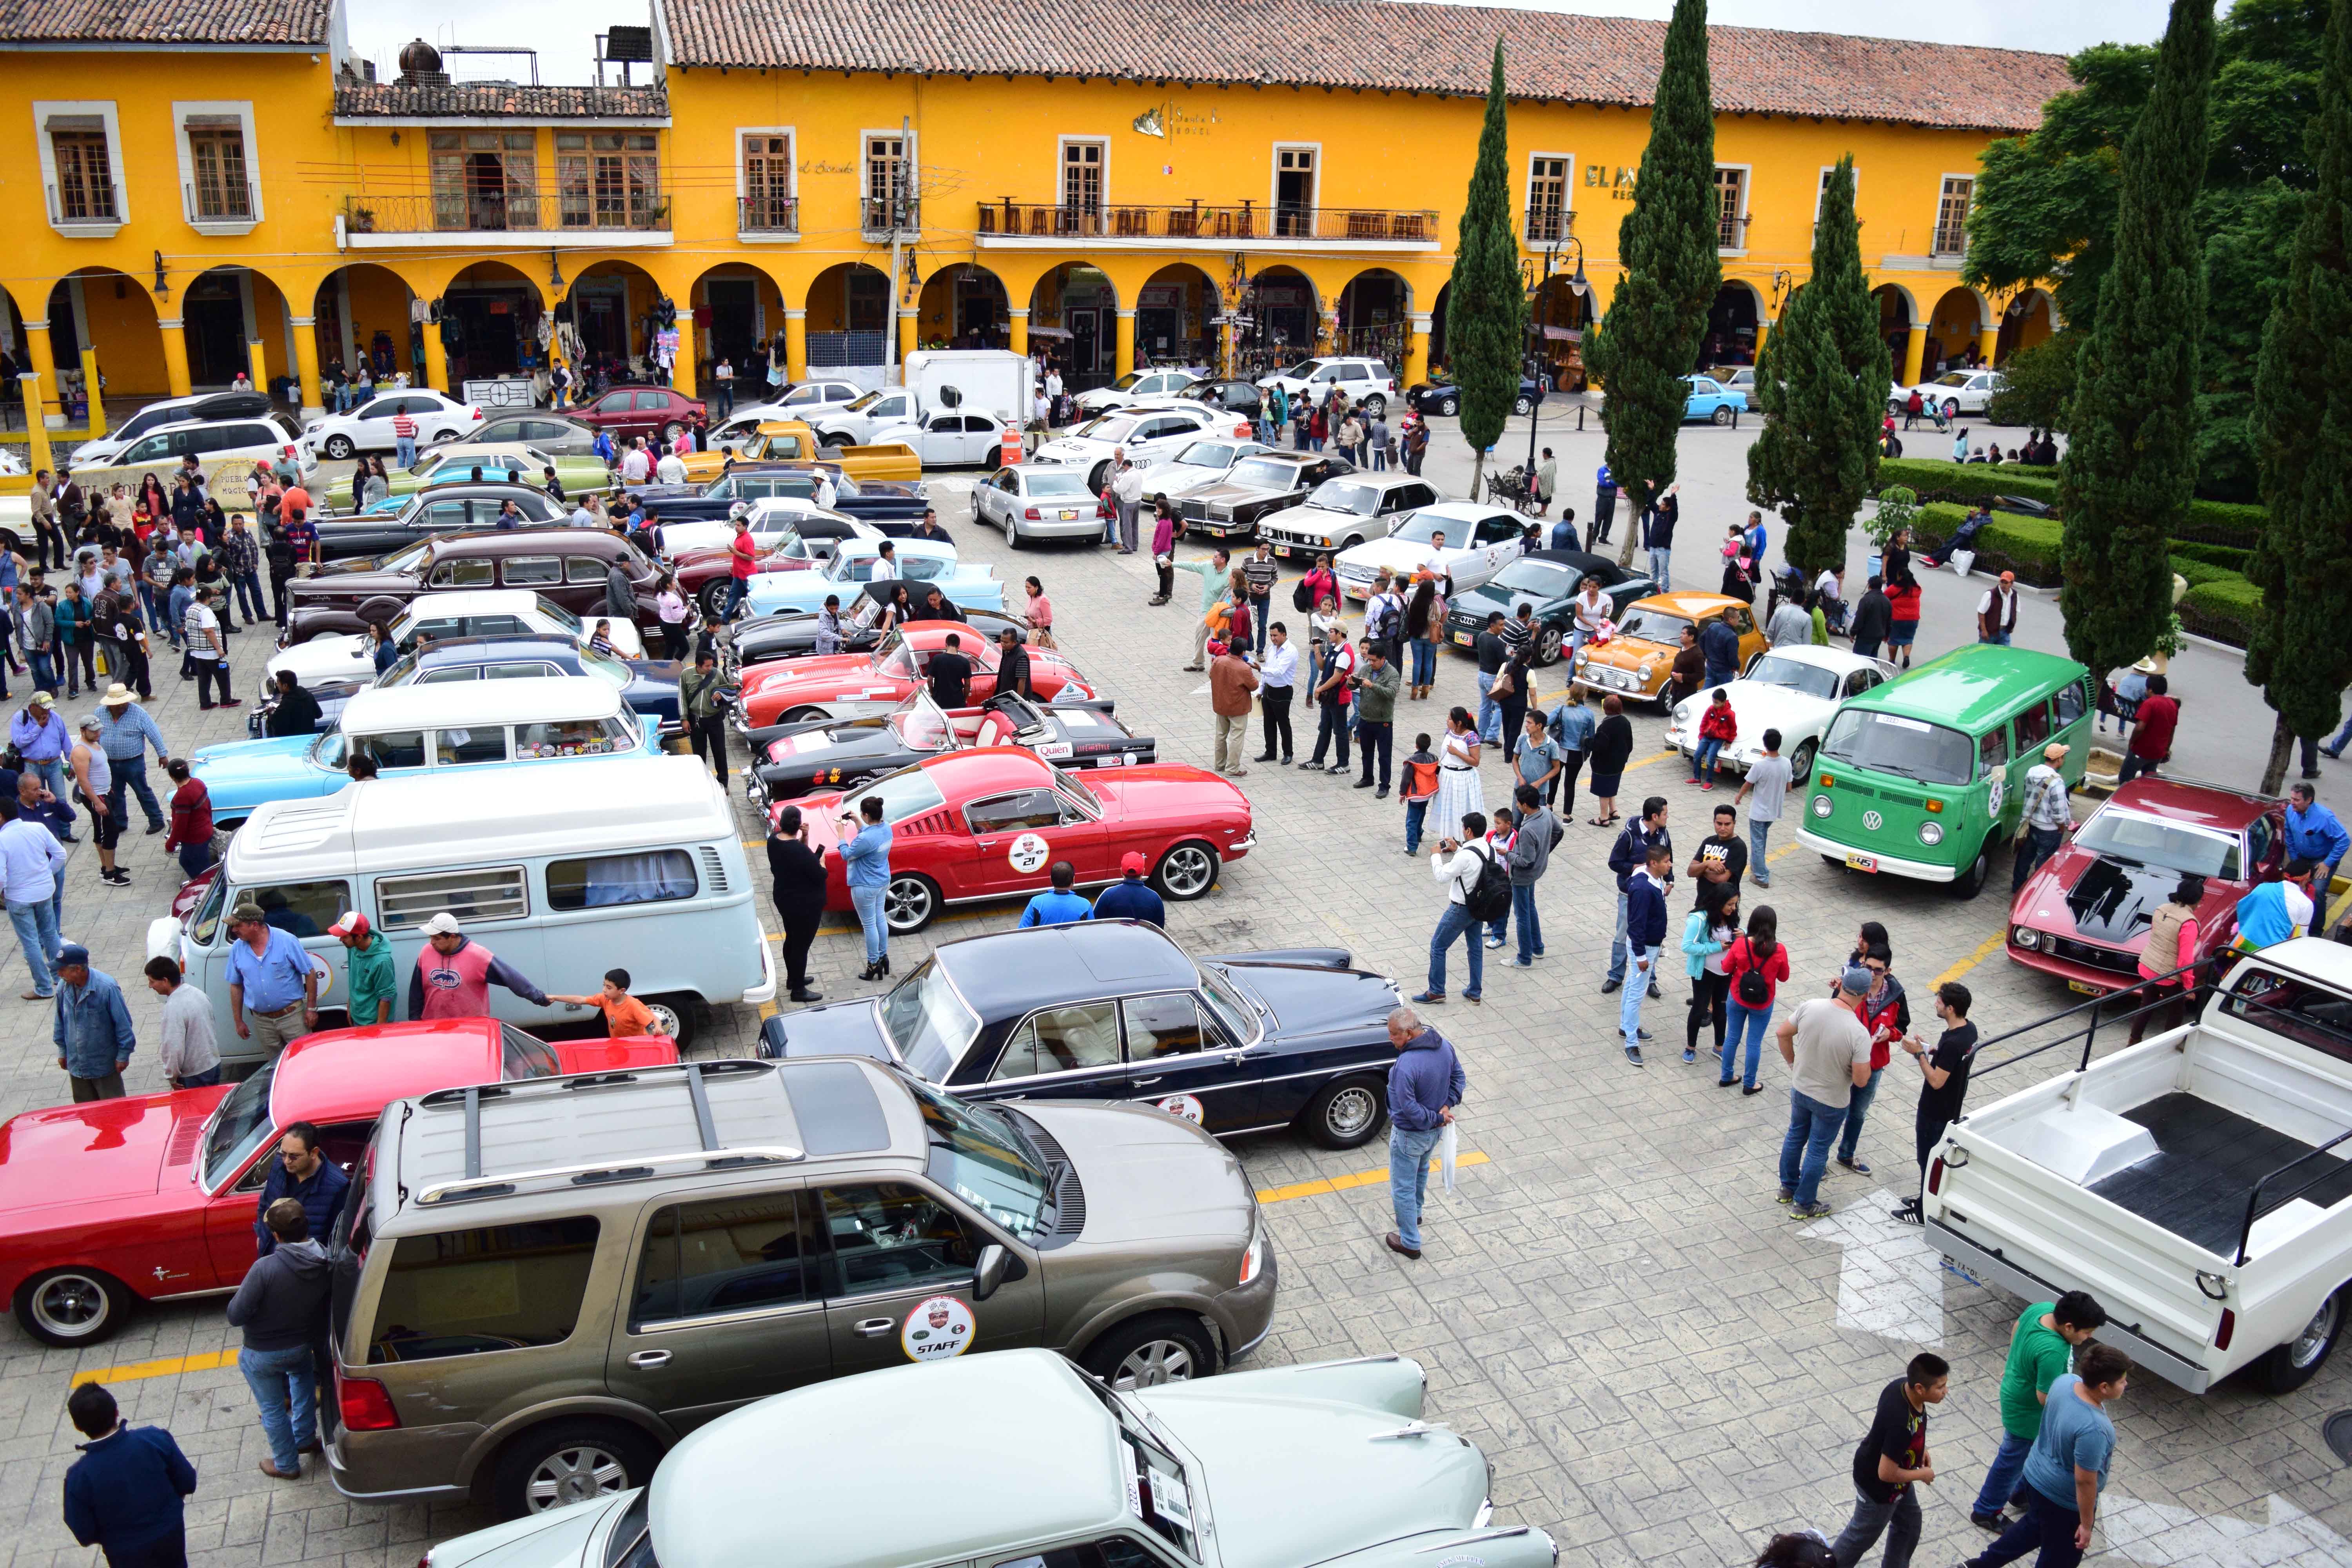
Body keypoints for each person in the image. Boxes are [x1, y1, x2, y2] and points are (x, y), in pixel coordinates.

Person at [1960, 1344, 2132, 1568]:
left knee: (2034, 1526)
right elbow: (2085, 1480)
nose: (2126, 1384)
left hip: (2034, 1478)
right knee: (2060, 1559)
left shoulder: (2065, 1382)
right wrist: (2086, 1524)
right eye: (2122, 1381)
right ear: (2104, 1387)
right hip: (2063, 1499)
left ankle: (1979, 1565)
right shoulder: (2095, 1428)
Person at [1966, 1292, 2110, 1533]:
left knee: (2030, 1452)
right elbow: (2046, 1398)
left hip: (2016, 1393)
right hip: (2027, 1414)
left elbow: (2017, 1326)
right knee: (2012, 1459)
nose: (2090, 1338)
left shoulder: (2042, 1309)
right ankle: (1986, 1510)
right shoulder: (2055, 1350)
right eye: (2086, 1332)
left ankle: (2021, 1494)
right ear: (2069, 1326)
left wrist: (2014, 1362)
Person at [229, 1197, 331, 1481]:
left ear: (275, 1235)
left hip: (262, 1353)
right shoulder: (324, 1258)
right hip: (303, 1347)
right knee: (302, 1381)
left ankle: (286, 1464)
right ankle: (305, 1438)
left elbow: (235, 1315)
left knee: (272, 1408)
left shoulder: (265, 1268)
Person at [1829, 1352, 1949, 1568]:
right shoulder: (1901, 1423)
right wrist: (1922, 1474)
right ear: (1921, 1388)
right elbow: (1885, 1473)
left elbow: (1908, 1432)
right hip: (1880, 1490)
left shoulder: (1901, 1387)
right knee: (1859, 1537)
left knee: (1909, 1524)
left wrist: (1920, 1449)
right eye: (1940, 1388)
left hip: (1898, 1484)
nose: (1945, 1392)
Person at [62, 1381, 199, 1568]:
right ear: (116, 1412)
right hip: (170, 1534)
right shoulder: (154, 1439)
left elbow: (84, 1533)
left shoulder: (78, 1477)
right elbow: (188, 1482)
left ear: (78, 1427)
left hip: (123, 1552)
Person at [1777, 966, 1875, 1218]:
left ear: (1841, 985)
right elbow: (1862, 1081)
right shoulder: (1859, 1033)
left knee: (1795, 1136)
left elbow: (1782, 1033)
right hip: (1831, 1100)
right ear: (1864, 996)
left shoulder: (1811, 1006)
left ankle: (1787, 1189)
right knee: (1818, 1149)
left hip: (1801, 1088)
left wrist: (1792, 1062)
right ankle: (1804, 1203)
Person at [1893, 981, 1978, 1225]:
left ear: (1950, 1008)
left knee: (1927, 1160)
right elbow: (1949, 1061)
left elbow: (1937, 1081)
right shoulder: (1968, 1031)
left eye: (1939, 1002)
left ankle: (1922, 1211)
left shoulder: (1953, 1043)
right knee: (1931, 1159)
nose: (1935, 1004)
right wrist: (1929, 1049)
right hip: (1950, 1107)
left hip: (1935, 1110)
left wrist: (1919, 1054)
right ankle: (1924, 1198)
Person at [1383, 1006, 1463, 1260]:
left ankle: (1410, 1242)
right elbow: (1459, 1078)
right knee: (1422, 1171)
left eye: (1393, 1035)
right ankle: (1416, 1213)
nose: (1390, 1039)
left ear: (1408, 1034)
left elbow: (1409, 1111)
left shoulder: (1405, 1066)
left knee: (1402, 1188)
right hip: (1433, 1135)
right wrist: (1445, 1108)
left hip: (1409, 1137)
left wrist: (1438, 1117)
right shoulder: (1444, 1047)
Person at [1839, 944, 1909, 1176]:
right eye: (1867, 967)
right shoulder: (1850, 984)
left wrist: (1892, 1035)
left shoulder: (1896, 995)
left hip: (1873, 1064)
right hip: (1843, 1061)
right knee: (1831, 1111)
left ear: (1887, 972)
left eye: (1878, 970)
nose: (1871, 974)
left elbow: (1902, 1027)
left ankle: (1846, 1154)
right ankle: (1817, 1159)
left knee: (1858, 1113)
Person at [1416, 809, 1496, 1006]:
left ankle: (1436, 991)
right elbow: (1472, 861)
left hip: (1461, 908)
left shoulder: (1465, 856)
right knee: (1475, 949)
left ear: (1468, 831)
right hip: (1479, 906)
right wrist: (1458, 848)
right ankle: (1475, 991)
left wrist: (1435, 856)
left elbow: (1442, 876)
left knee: (1438, 946)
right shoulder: (1489, 849)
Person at [407, 911, 549, 1019]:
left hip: (470, 1028)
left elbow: (511, 978)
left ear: (453, 937)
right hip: (434, 1025)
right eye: (431, 938)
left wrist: (538, 997)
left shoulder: (478, 956)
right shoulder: (426, 952)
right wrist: (415, 1022)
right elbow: (416, 992)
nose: (432, 942)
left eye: (437, 938)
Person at [1603, 796, 1673, 995]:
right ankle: (1615, 975)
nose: (1668, 817)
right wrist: (1637, 868)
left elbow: (1669, 857)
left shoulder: (1662, 833)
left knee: (1652, 936)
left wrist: (1670, 880)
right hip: (1629, 894)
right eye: (1665, 814)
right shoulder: (1629, 835)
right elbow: (1614, 863)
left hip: (1655, 892)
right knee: (1622, 934)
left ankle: (1650, 978)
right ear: (1654, 816)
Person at [0, 793, 66, 1000]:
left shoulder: (2, 839)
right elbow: (61, 855)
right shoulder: (37, 828)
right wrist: (47, 873)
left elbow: (1, 876)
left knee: (30, 942)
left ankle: (44, 988)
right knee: (50, 933)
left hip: (19, 897)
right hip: (44, 891)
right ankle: (60, 977)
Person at [2128, 875, 2205, 1044]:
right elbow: (2185, 960)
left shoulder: (2161, 909)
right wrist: (2189, 987)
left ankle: (2134, 1040)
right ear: (2198, 900)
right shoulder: (2189, 922)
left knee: (2146, 1005)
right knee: (2176, 1011)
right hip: (2168, 975)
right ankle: (2169, 1044)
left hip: (2148, 966)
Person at [54, 946, 136, 1101]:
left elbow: (123, 1024)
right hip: (77, 1067)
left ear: (78, 969)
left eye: (62, 970)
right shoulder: (63, 988)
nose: (59, 974)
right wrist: (62, 1052)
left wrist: (123, 1056)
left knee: (114, 1114)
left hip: (104, 1066)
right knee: (86, 1116)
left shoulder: (107, 988)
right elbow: (60, 1022)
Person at [766, 805, 828, 1004]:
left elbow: (797, 852)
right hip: (805, 906)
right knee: (801, 946)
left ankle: (794, 979)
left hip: (784, 899)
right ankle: (799, 990)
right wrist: (823, 862)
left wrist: (804, 837)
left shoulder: (773, 841)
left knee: (792, 939)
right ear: (798, 825)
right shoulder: (801, 852)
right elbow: (820, 876)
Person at [1617, 842, 1671, 1063]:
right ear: (1653, 863)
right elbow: (1636, 925)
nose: (1670, 865)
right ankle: (1631, 1043)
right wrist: (1641, 957)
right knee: (1636, 995)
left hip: (1650, 945)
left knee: (1632, 986)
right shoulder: (1642, 889)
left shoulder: (1652, 878)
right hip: (1645, 948)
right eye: (1667, 861)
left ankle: (1625, 1027)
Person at [839, 795, 893, 980]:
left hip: (865, 885)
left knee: (869, 925)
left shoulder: (866, 839)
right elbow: (869, 841)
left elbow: (847, 854)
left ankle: (873, 964)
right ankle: (883, 957)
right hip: (882, 881)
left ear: (867, 815)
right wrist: (858, 824)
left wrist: (840, 834)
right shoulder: (886, 828)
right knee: (880, 918)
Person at [1501, 782, 1556, 965]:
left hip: (1523, 877)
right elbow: (1559, 831)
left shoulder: (1527, 831)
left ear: (1525, 805)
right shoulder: (1547, 813)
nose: (1516, 806)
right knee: (1530, 906)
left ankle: (1524, 958)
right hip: (1537, 871)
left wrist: (1507, 855)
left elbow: (1525, 861)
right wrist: (1545, 852)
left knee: (1522, 915)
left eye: (1518, 803)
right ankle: (1537, 947)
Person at [1734, 727, 1792, 887]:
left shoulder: (1760, 765)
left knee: (1757, 843)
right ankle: (1757, 868)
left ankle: (1761, 876)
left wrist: (1739, 797)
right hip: (1774, 811)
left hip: (1759, 812)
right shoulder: (1786, 763)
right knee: (1761, 840)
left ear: (1765, 744)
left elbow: (1748, 784)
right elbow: (1789, 787)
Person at [2012, 742, 2073, 895]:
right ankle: (2037, 894)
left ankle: (2017, 887)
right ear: (2059, 759)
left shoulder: (2032, 772)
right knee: (2043, 863)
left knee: (2024, 858)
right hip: (2049, 830)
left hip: (2030, 823)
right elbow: (2059, 811)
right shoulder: (2057, 782)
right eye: (2063, 757)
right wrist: (2062, 826)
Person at [2234, 856, 2319, 951]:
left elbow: (2243, 910)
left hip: (2241, 945)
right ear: (2305, 880)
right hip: (2270, 954)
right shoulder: (2306, 904)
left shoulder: (2262, 888)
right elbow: (2299, 938)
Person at [548, 968, 665, 1036]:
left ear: (621, 991)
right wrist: (555, 997)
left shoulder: (633, 1005)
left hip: (636, 1046)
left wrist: (658, 1029)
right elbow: (580, 1000)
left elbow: (655, 1020)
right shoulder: (605, 999)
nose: (604, 990)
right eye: (604, 985)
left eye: (609, 988)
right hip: (617, 1044)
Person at [1303, 627, 1357, 774]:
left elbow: (1336, 678)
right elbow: (1322, 666)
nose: (1328, 634)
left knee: (1340, 731)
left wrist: (1319, 690)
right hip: (1330, 698)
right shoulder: (1334, 648)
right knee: (1325, 728)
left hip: (1339, 698)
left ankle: (1344, 764)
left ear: (1340, 634)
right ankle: (1318, 761)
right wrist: (1317, 650)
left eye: (1331, 632)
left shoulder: (1345, 653)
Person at [327, 911, 396, 1026]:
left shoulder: (382, 961)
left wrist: (380, 1029)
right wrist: (351, 1006)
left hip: (373, 1023)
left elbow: (387, 996)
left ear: (359, 937)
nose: (341, 940)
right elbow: (354, 979)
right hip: (357, 1017)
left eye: (345, 937)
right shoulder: (353, 948)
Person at [1354, 641, 1401, 796]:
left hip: (1383, 721)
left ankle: (1385, 785)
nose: (1371, 663)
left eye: (1374, 660)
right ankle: (1367, 778)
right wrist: (1351, 683)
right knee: (1366, 752)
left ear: (1383, 659)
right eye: (1370, 660)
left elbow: (1391, 693)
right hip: (1366, 718)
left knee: (1384, 755)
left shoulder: (1392, 673)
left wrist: (1372, 686)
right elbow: (1356, 687)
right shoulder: (1365, 669)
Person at [2285, 782, 2348, 897]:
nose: (2292, 803)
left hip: (2321, 860)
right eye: (2292, 798)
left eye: (2297, 800)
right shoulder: (2291, 810)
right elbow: (2289, 833)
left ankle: (2318, 915)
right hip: (2301, 858)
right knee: (2294, 890)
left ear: (2309, 800)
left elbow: (2344, 841)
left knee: (2317, 892)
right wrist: (2294, 858)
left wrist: (2327, 863)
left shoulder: (2325, 817)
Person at [679, 649, 728, 783]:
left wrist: (721, 693)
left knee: (720, 752)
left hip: (715, 719)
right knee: (699, 754)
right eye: (707, 666)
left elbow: (729, 690)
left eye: (712, 665)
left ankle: (723, 782)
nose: (710, 668)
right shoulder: (686, 675)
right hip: (696, 721)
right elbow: (682, 697)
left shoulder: (717, 674)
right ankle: (702, 781)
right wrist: (684, 719)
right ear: (698, 665)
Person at [1252, 622, 1298, 764]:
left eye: (1275, 636)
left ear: (1284, 634)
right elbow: (1268, 669)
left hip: (1283, 692)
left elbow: (1278, 672)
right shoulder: (1272, 649)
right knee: (1269, 723)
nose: (1273, 638)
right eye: (1271, 636)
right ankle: (1271, 752)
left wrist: (1260, 669)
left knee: (1284, 724)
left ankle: (1288, 753)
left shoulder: (1290, 651)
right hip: (1269, 690)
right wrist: (1261, 689)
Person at [1585, 693, 1634, 826]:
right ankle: (1614, 811)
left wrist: (1586, 741)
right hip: (1619, 764)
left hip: (1604, 765)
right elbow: (1630, 744)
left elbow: (1599, 746)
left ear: (1606, 709)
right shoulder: (1625, 722)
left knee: (1604, 791)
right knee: (1612, 786)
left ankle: (1603, 818)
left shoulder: (1605, 727)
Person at [161, 759, 214, 881]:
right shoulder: (198, 783)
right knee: (185, 861)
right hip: (206, 831)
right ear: (188, 771)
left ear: (172, 777)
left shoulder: (182, 797)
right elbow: (208, 806)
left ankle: (206, 888)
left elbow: (180, 826)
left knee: (203, 872)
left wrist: (171, 845)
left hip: (195, 839)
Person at [1018, 860, 1096, 927]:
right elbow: (1091, 933)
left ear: (1051, 879)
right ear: (1074, 879)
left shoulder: (1036, 902)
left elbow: (1023, 931)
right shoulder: (1085, 905)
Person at [1978, 571, 2021, 645]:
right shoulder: (1990, 594)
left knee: (2004, 655)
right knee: (1985, 655)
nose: (2003, 585)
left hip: (2005, 632)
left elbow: (2015, 611)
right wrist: (1984, 631)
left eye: (2006, 583)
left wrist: (2012, 625)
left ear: (2012, 584)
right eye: (2002, 582)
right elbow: (1981, 613)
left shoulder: (2014, 595)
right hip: (1990, 633)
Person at [1589, 461, 1617, 548]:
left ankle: (1603, 538)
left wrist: (1610, 481)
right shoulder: (1602, 470)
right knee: (1599, 518)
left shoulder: (1616, 471)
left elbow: (1619, 483)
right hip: (1602, 498)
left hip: (1612, 498)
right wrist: (1612, 483)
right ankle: (1593, 537)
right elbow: (1602, 483)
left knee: (1609, 519)